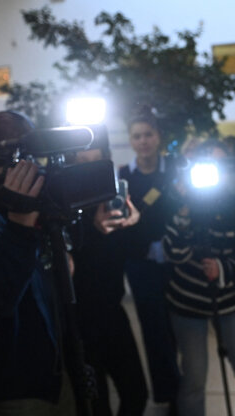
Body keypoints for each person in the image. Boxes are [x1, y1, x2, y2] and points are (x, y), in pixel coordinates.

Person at [0, 111, 75, 415]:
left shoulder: (5, 196)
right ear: (7, 153)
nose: (36, 165)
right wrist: (21, 224)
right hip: (3, 389)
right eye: (30, 155)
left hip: (34, 373)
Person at [163, 139, 235, 416]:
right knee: (194, 379)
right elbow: (173, 252)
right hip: (187, 303)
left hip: (231, 302)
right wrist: (185, 210)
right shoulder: (180, 203)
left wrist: (221, 269)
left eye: (220, 164)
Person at [70, 145, 148, 416]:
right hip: (79, 319)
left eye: (96, 161)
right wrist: (92, 231)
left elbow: (137, 252)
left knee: (136, 393)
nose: (90, 167)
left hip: (113, 313)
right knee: (96, 403)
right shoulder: (65, 204)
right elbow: (66, 263)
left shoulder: (115, 199)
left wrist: (135, 223)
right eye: (83, 161)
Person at [118, 109, 179, 411]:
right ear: (130, 140)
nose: (143, 141)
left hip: (178, 259)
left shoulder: (176, 170)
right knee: (152, 328)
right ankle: (165, 394)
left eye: (148, 134)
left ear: (158, 137)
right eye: (137, 136)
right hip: (140, 263)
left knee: (179, 327)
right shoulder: (122, 177)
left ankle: (181, 391)